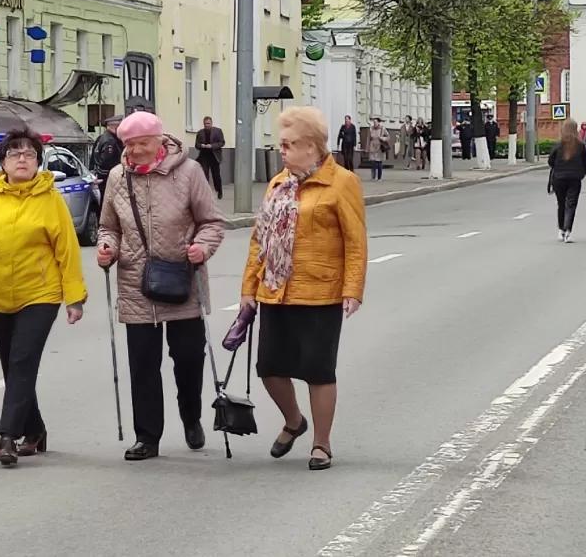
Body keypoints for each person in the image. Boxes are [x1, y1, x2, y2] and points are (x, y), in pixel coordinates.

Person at [241, 106, 367, 471]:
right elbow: (259, 240)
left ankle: (321, 444)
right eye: (281, 144)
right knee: (269, 367)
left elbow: (355, 241)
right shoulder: (278, 183)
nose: (282, 151)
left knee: (318, 369)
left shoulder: (341, 182)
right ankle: (294, 421)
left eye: (288, 144)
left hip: (321, 291)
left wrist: (352, 288)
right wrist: (249, 288)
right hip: (276, 290)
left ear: (311, 146)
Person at [0, 127, 87, 467]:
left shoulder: (50, 199)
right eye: (15, 154)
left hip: (39, 294)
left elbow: (67, 250)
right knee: (12, 367)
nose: (22, 159)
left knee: (23, 361)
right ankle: (36, 429)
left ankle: (7, 436)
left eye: (29, 154)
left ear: (39, 162)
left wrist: (74, 298)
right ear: (3, 163)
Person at [96, 111, 225, 461]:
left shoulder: (189, 172)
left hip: (182, 278)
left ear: (159, 141)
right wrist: (107, 247)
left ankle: (191, 417)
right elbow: (109, 226)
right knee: (142, 363)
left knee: (187, 358)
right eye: (130, 144)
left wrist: (202, 248)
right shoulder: (118, 178)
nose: (135, 150)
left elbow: (211, 222)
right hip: (136, 283)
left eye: (142, 143)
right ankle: (147, 436)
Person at [548, 119, 586, 244]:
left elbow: (550, 161)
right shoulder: (580, 145)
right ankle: (568, 231)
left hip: (559, 178)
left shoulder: (558, 144)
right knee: (571, 205)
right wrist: (582, 173)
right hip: (574, 179)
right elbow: (585, 162)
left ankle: (560, 230)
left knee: (561, 204)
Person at [90, 115, 124, 208]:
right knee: (108, 204)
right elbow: (108, 162)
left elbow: (93, 158)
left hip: (101, 177)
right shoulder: (111, 141)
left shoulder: (101, 138)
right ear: (116, 127)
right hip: (108, 179)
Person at [194, 116, 226, 199]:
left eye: (208, 123)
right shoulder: (200, 132)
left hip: (214, 156)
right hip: (204, 156)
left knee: (216, 175)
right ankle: (206, 192)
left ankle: (219, 191)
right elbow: (196, 145)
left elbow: (222, 142)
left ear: (211, 123)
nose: (207, 125)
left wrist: (212, 146)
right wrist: (201, 145)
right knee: (204, 175)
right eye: (205, 124)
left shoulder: (218, 131)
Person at [367, 117, 389, 181]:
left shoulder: (382, 128)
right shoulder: (371, 128)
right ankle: (373, 177)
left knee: (379, 162)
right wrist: (367, 147)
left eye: (376, 122)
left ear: (379, 122)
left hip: (380, 147)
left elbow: (388, 136)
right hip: (372, 146)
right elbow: (368, 138)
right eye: (374, 122)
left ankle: (379, 177)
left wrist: (383, 138)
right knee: (373, 163)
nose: (374, 123)